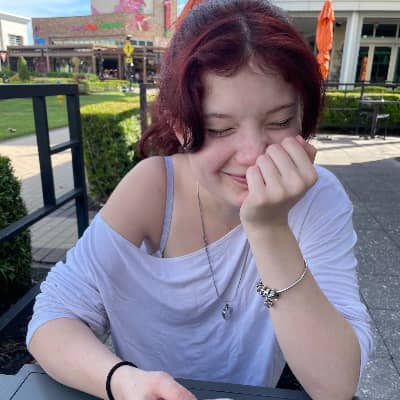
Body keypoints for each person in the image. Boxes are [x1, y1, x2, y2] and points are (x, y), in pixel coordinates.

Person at [27, 1, 373, 399]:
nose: (252, 154)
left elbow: (336, 384)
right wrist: (123, 381)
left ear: (303, 116)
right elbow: (52, 317)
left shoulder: (316, 197)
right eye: (219, 128)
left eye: (279, 121)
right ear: (180, 125)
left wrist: (269, 228)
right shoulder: (153, 189)